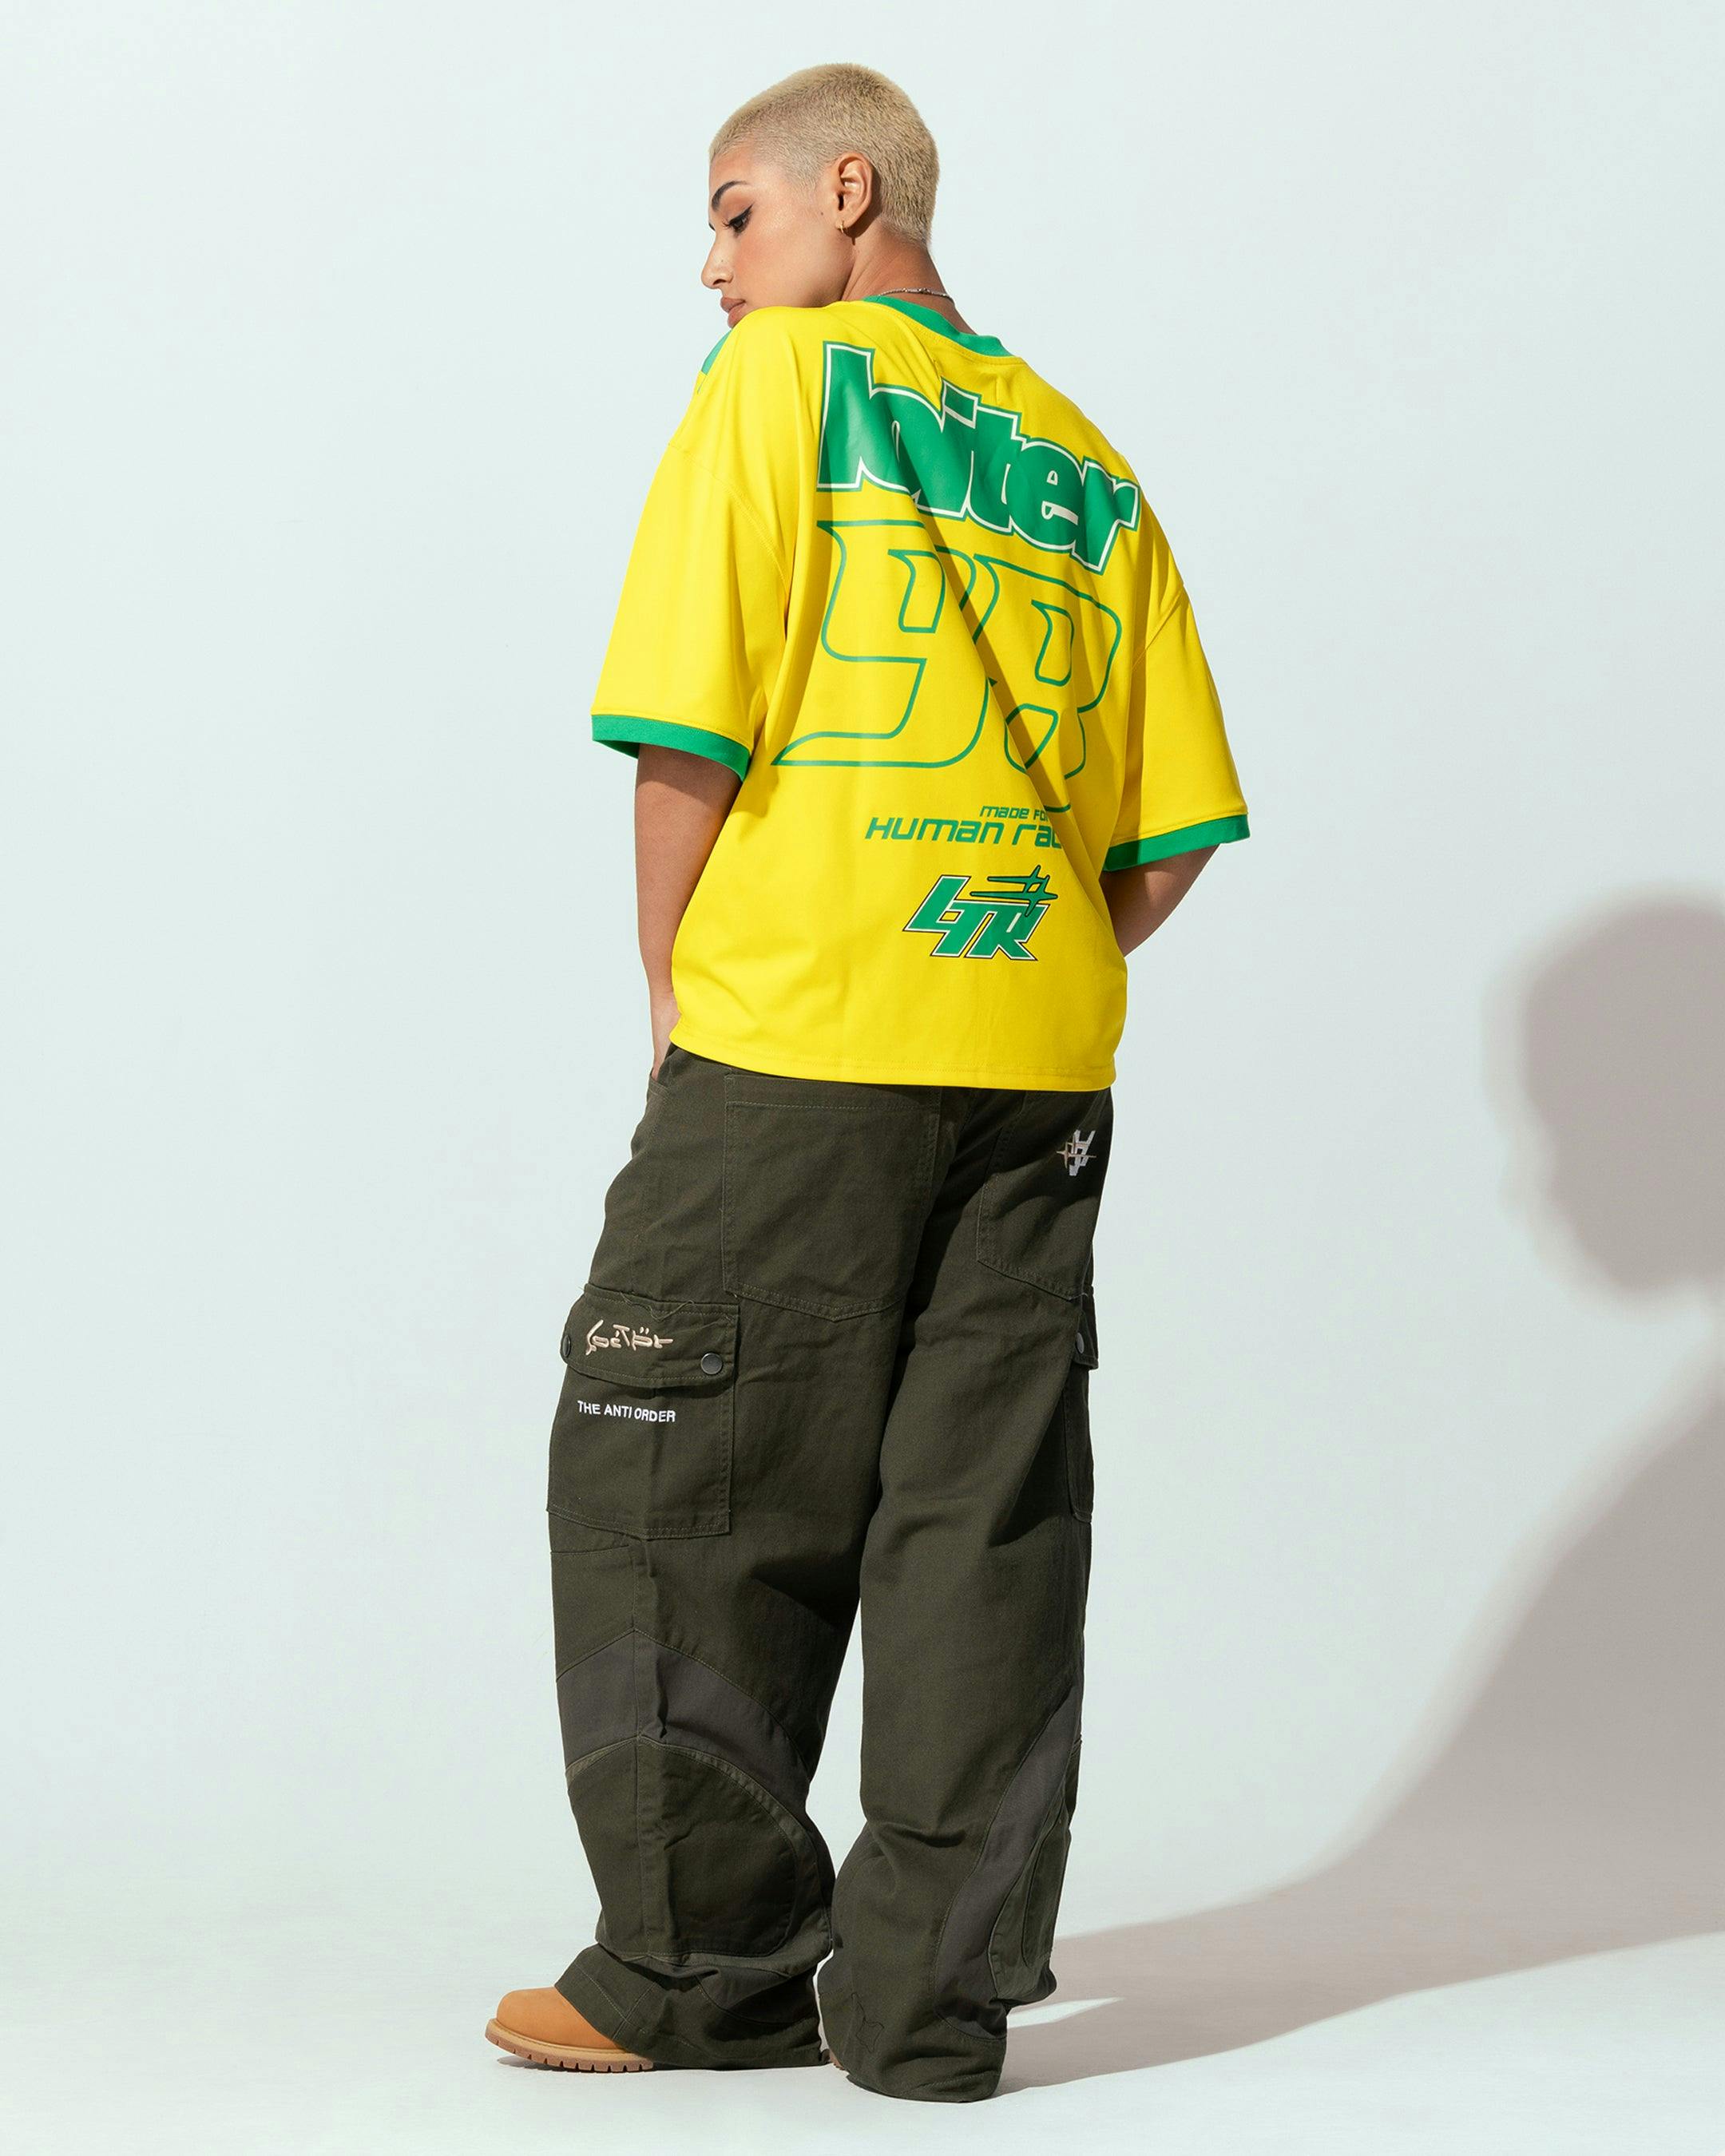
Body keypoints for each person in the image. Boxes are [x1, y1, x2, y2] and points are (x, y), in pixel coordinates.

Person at [486, 59, 1251, 2104]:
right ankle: (928, 2010)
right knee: (981, 1522)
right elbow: (1170, 838)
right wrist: (1025, 957)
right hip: (1036, 1072)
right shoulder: (1086, 463)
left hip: (799, 1043)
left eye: (731, 214)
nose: (712, 267)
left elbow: (689, 729)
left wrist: (673, 985)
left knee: (675, 1485)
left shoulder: (783, 386)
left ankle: (704, 1972)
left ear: (850, 190)